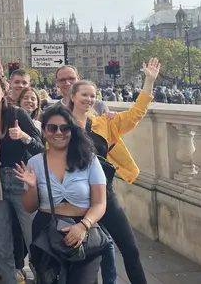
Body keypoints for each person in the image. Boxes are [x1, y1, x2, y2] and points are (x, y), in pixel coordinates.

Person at [68, 58, 160, 284]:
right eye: (84, 95)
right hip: (73, 197)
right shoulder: (61, 126)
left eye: (92, 95)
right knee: (80, 256)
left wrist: (149, 81)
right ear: (73, 97)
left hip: (104, 195)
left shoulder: (104, 124)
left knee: (131, 250)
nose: (89, 99)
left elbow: (136, 113)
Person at [15, 105, 107, 283]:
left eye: (65, 128)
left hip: (84, 227)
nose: (59, 132)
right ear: (44, 131)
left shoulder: (89, 159)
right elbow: (29, 208)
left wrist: (83, 226)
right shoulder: (35, 162)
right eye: (52, 128)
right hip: (46, 230)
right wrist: (32, 187)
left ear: (72, 131)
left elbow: (100, 203)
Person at [0, 72, 43, 284]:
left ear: (3, 90)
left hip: (21, 180)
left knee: (33, 239)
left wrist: (24, 137)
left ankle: (43, 277)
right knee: (2, 242)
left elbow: (41, 148)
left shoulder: (18, 114)